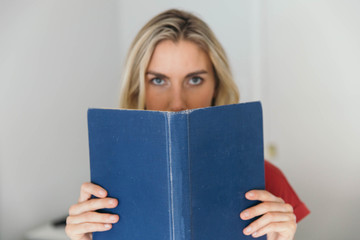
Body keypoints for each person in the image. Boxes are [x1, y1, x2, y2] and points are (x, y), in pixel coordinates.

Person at [65, 9, 309, 240]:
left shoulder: (267, 181)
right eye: (158, 80)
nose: (177, 103)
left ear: (217, 85)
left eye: (194, 79)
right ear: (138, 86)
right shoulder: (109, 189)